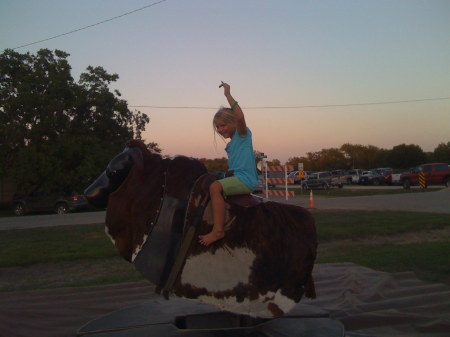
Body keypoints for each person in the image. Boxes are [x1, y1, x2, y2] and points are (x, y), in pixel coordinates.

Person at [199, 82, 259, 246]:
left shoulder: (243, 134)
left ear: (233, 123)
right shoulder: (232, 143)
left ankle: (218, 230)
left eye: (223, 125)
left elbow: (240, 117)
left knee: (215, 187)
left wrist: (228, 94)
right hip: (237, 176)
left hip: (245, 179)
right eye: (217, 127)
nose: (220, 129)